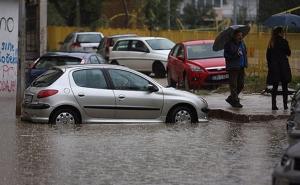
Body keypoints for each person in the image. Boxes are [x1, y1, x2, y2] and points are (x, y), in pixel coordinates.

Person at [266, 27, 291, 110]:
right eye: (282, 32)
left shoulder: (271, 42)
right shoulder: (284, 41)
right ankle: (285, 105)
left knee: (275, 86)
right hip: (283, 66)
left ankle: (273, 105)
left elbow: (268, 56)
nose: (283, 33)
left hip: (274, 67)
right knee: (285, 86)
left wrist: (270, 66)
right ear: (280, 33)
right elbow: (289, 53)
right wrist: (286, 43)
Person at [224, 29, 248, 108]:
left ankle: (231, 98)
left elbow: (244, 53)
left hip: (241, 66)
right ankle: (236, 101)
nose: (240, 37)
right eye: (238, 35)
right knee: (233, 85)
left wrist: (245, 63)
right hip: (233, 67)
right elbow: (226, 55)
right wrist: (236, 54)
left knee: (241, 85)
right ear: (234, 36)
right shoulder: (229, 44)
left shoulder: (242, 43)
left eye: (241, 35)